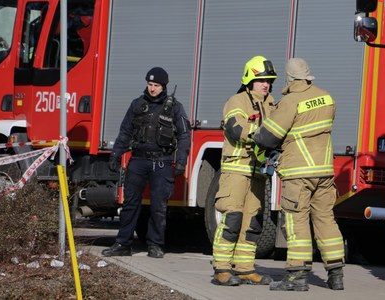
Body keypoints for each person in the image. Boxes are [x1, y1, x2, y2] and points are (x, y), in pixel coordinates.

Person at [253, 58, 345, 291]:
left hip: (298, 172)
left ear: (289, 78)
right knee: (326, 219)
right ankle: (336, 275)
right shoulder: (327, 98)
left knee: (297, 221)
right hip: (324, 171)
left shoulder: (290, 101)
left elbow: (268, 137)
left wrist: (256, 135)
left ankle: (297, 277)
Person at [102, 67, 191, 259]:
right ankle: (123, 243)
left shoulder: (175, 107)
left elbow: (184, 135)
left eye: (156, 85)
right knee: (130, 204)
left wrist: (181, 159)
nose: (152, 89)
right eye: (150, 85)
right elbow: (125, 131)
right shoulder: (137, 104)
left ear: (163, 86)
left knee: (159, 206)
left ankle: (155, 245)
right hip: (138, 161)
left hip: (162, 162)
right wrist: (115, 154)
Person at [210, 56, 276, 286]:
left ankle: (246, 269)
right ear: (250, 79)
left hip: (258, 173)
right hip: (236, 171)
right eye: (261, 80)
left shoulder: (272, 103)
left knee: (253, 223)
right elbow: (235, 127)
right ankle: (221, 268)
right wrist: (262, 136)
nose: (266, 85)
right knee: (233, 219)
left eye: (268, 81)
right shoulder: (237, 101)